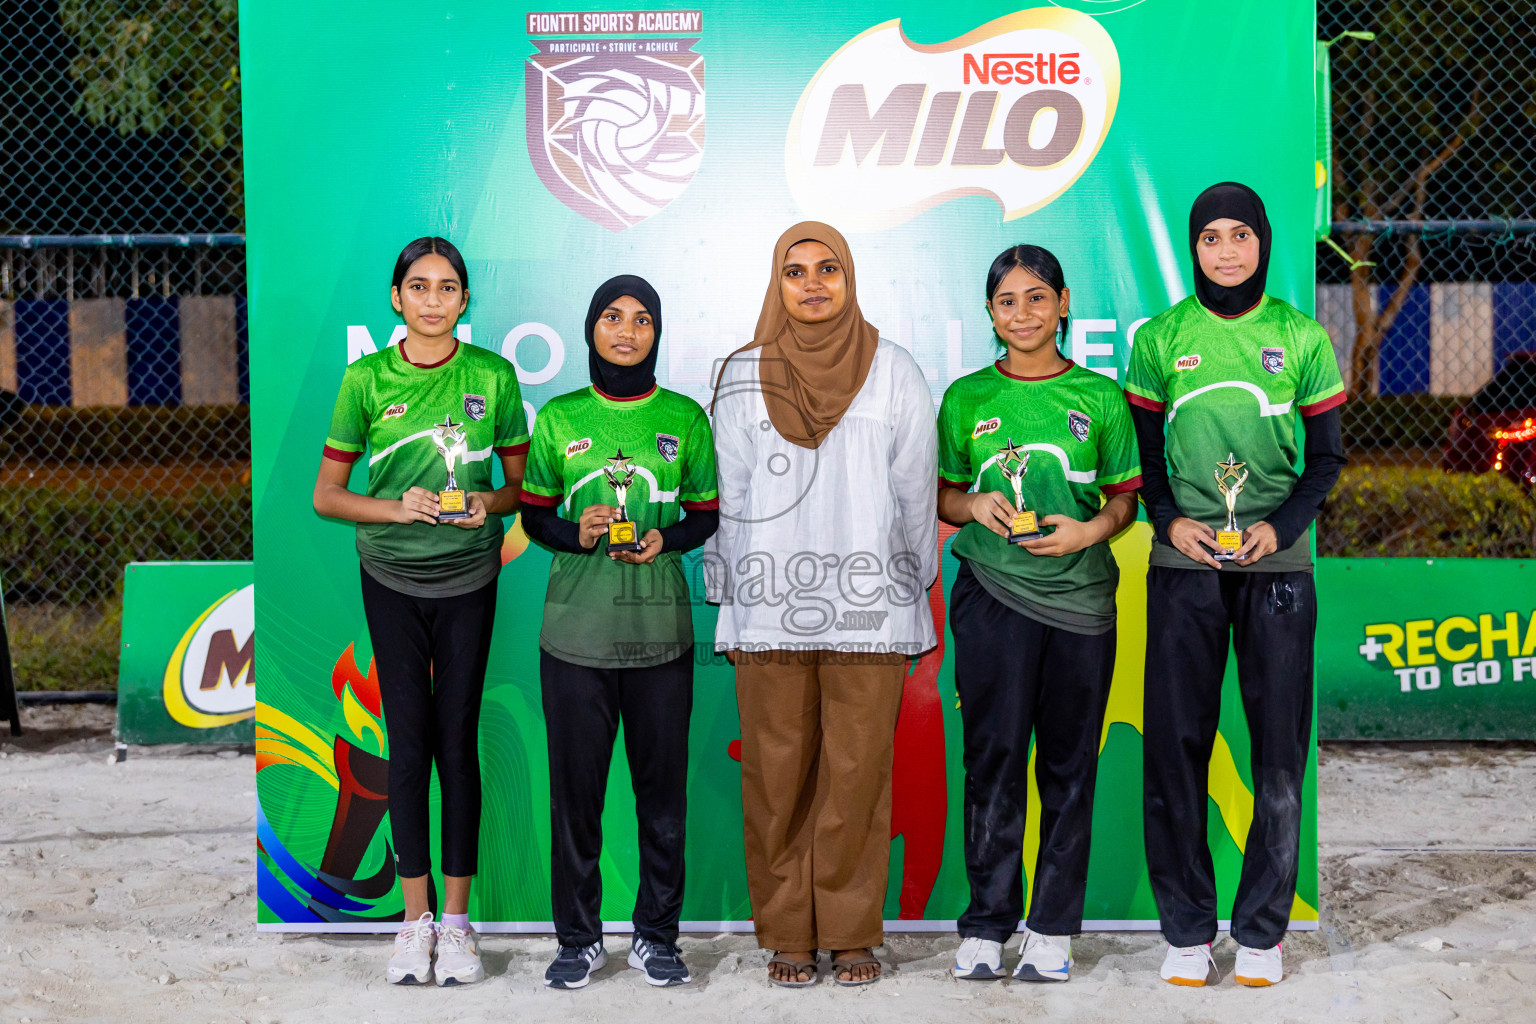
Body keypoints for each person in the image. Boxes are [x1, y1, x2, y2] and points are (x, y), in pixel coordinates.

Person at [1125, 183, 1347, 987]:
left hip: (1277, 570)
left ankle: (1261, 933)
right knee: (1175, 752)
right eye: (1210, 237)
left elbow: (1324, 461)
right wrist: (1168, 521)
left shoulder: (1301, 336)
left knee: (1278, 758)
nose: (1225, 250)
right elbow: (1144, 462)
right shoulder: (1161, 339)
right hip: (1184, 566)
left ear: (1262, 242)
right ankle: (1186, 930)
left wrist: (1278, 529)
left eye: (1240, 235)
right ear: (1194, 248)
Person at [706, 221, 938, 987]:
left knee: (857, 776)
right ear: (776, 283)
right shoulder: (742, 376)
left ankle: (849, 932)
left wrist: (914, 594)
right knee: (777, 778)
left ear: (850, 278)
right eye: (795, 272)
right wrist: (728, 602)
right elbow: (728, 502)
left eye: (827, 269)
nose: (811, 285)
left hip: (870, 612)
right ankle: (787, 936)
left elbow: (915, 495)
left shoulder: (896, 372)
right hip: (770, 609)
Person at [313, 236, 529, 986]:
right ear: (396, 299)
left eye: (448, 288)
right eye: (419, 286)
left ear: (465, 301)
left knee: (457, 742)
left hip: (470, 578)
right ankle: (415, 924)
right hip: (392, 580)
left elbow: (522, 491)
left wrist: (484, 504)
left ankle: (460, 927)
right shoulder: (366, 379)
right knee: (408, 746)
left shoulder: (493, 377)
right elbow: (327, 496)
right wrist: (396, 510)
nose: (433, 299)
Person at [937, 244, 1142, 982]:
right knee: (992, 760)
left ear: (1061, 304)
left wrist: (1091, 531)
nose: (1021, 313)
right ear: (990, 314)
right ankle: (988, 925)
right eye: (1005, 301)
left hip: (1081, 606)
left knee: (1068, 764)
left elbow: (1125, 497)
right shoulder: (966, 398)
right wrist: (972, 505)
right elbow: (944, 494)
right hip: (992, 599)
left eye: (1035, 297)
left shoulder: (1101, 396)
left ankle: (1052, 927)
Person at [518, 275, 719, 990]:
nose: (627, 331)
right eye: (612, 316)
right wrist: (577, 532)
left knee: (662, 798)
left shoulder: (685, 418)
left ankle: (656, 936)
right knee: (576, 799)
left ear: (657, 332)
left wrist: (667, 538)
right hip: (574, 641)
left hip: (660, 639)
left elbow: (705, 515)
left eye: (641, 320)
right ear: (591, 327)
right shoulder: (560, 419)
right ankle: (578, 940)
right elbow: (534, 515)